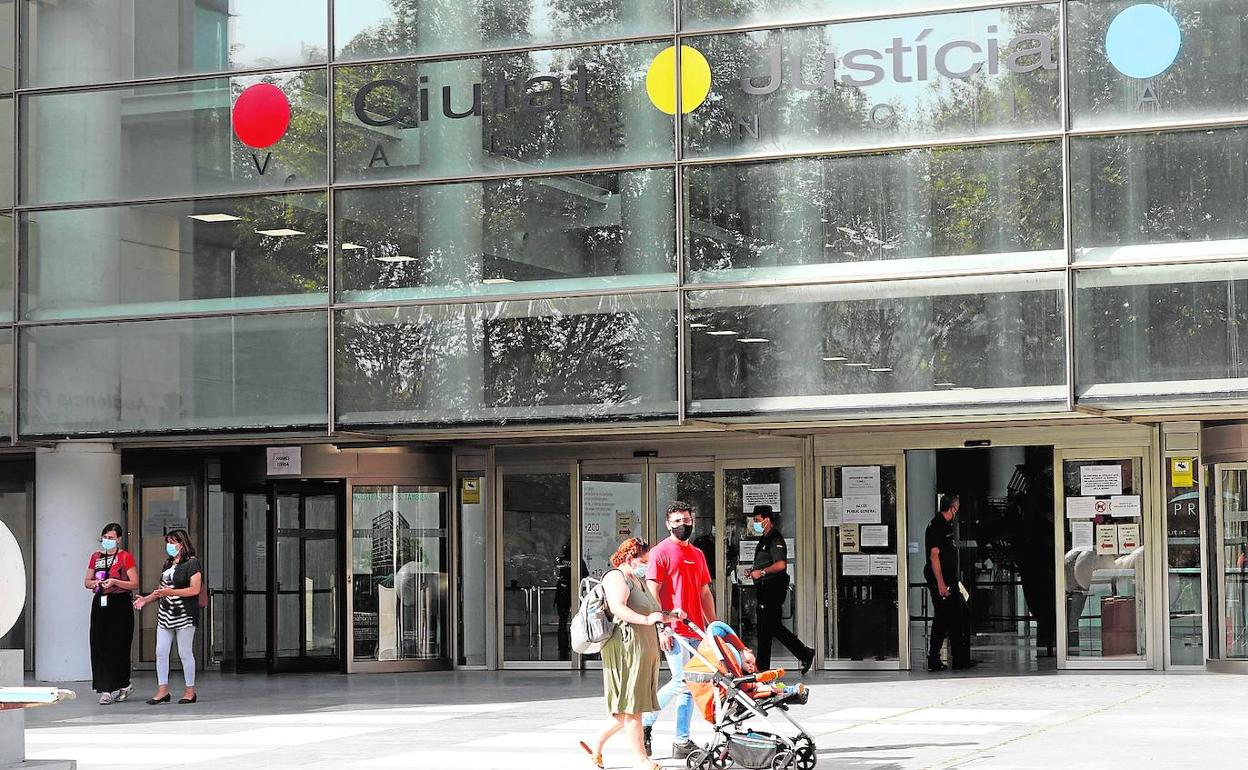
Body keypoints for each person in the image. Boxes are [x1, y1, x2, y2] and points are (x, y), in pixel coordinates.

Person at [579, 538, 676, 770]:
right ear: (630, 558)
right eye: (644, 560)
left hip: (643, 648)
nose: (647, 564)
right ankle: (641, 760)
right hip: (625, 647)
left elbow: (651, 611)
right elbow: (618, 607)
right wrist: (646, 620)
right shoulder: (616, 577)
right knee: (633, 707)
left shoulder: (638, 579)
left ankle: (597, 743)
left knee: (632, 706)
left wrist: (670, 615)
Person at [642, 501, 716, 760]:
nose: (683, 525)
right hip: (673, 629)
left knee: (690, 685)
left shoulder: (697, 554)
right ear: (667, 524)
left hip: (696, 630)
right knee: (681, 682)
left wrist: (713, 627)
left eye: (686, 520)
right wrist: (661, 627)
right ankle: (645, 721)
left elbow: (705, 592)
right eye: (677, 521)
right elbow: (652, 591)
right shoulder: (661, 552)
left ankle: (681, 741)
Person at [134, 529, 202, 704]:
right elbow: (160, 590)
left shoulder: (192, 563)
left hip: (184, 614)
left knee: (184, 652)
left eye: (173, 542)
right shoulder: (168, 564)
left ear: (182, 543)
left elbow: (194, 589)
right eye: (168, 542)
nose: (169, 546)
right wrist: (146, 599)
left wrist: (171, 591)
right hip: (165, 613)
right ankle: (162, 690)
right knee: (161, 652)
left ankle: (190, 691)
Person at [746, 505, 815, 673]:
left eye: (757, 520)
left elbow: (780, 564)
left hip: (772, 589)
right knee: (769, 628)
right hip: (765, 588)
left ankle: (763, 669)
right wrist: (754, 571)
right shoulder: (764, 538)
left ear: (767, 520)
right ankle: (804, 653)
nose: (754, 523)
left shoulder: (775, 538)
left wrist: (761, 572)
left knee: (766, 628)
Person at [84, 523, 138, 705]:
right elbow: (87, 581)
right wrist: (96, 584)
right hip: (100, 602)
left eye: (111, 538)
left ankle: (123, 683)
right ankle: (105, 688)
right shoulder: (96, 557)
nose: (107, 541)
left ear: (119, 539)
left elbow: (134, 583)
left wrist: (115, 581)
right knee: (100, 644)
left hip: (119, 603)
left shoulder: (125, 557)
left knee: (118, 645)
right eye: (105, 537)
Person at [924, 495, 972, 671]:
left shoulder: (947, 525)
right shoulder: (936, 526)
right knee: (945, 619)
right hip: (941, 581)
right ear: (952, 507)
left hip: (949, 579)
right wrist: (941, 584)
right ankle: (942, 659)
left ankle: (956, 658)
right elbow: (934, 556)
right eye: (957, 504)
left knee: (950, 618)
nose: (959, 507)